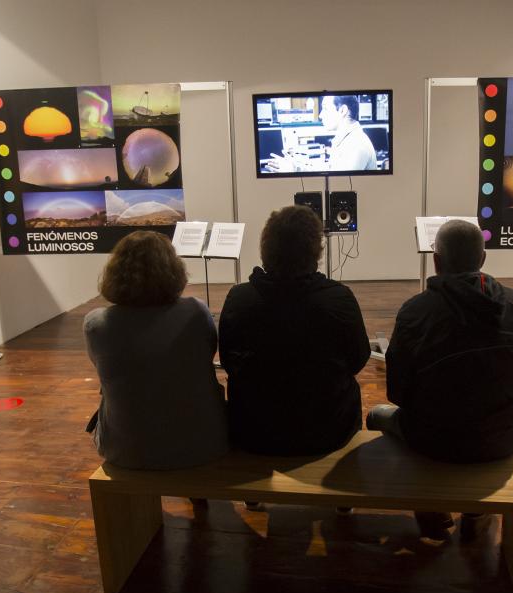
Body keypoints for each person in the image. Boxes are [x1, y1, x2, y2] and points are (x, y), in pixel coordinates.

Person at [367, 220, 513, 539]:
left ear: (436, 261)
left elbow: (398, 393)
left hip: (434, 440)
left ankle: (429, 506)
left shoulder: (416, 311)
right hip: (504, 437)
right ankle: (476, 512)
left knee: (377, 416)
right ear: (483, 259)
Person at [219, 205, 371, 463]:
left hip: (255, 433)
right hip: (328, 432)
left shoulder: (239, 298)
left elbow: (228, 361)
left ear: (266, 249)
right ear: (315, 251)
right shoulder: (339, 299)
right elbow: (358, 359)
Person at [84, 230, 229, 471]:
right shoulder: (196, 311)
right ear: (173, 268)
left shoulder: (97, 324)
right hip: (205, 443)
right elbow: (207, 354)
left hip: (127, 452)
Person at [265, 95, 378, 173]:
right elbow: (330, 168)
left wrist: (293, 169)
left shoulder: (356, 144)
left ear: (342, 110)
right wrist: (295, 164)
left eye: (325, 109)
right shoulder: (347, 140)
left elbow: (338, 182)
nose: (320, 115)